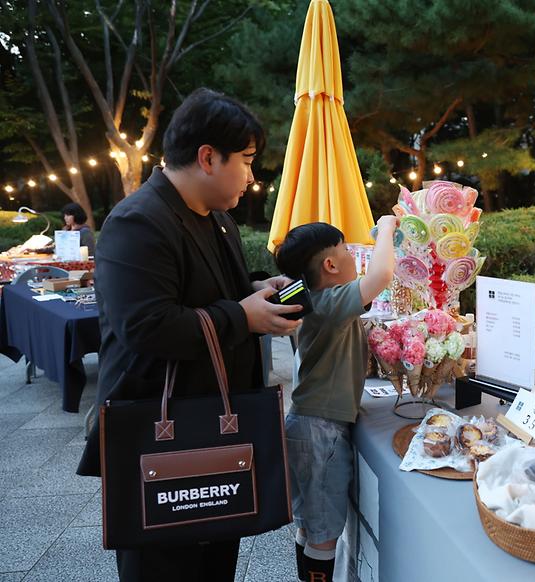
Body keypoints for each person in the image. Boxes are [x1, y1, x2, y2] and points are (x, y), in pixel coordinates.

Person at [76, 88, 302, 582]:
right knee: (166, 565)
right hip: (162, 437)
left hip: (215, 426)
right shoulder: (138, 221)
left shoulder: (216, 217)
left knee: (215, 560)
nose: (250, 175)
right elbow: (147, 325)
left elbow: (208, 291)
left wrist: (258, 289)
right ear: (206, 157)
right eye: (245, 160)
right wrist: (242, 318)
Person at [274, 217, 398, 582]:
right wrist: (387, 228)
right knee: (324, 533)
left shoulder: (315, 299)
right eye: (345, 250)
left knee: (310, 524)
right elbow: (381, 277)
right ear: (330, 264)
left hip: (308, 424)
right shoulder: (328, 301)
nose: (352, 256)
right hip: (320, 432)